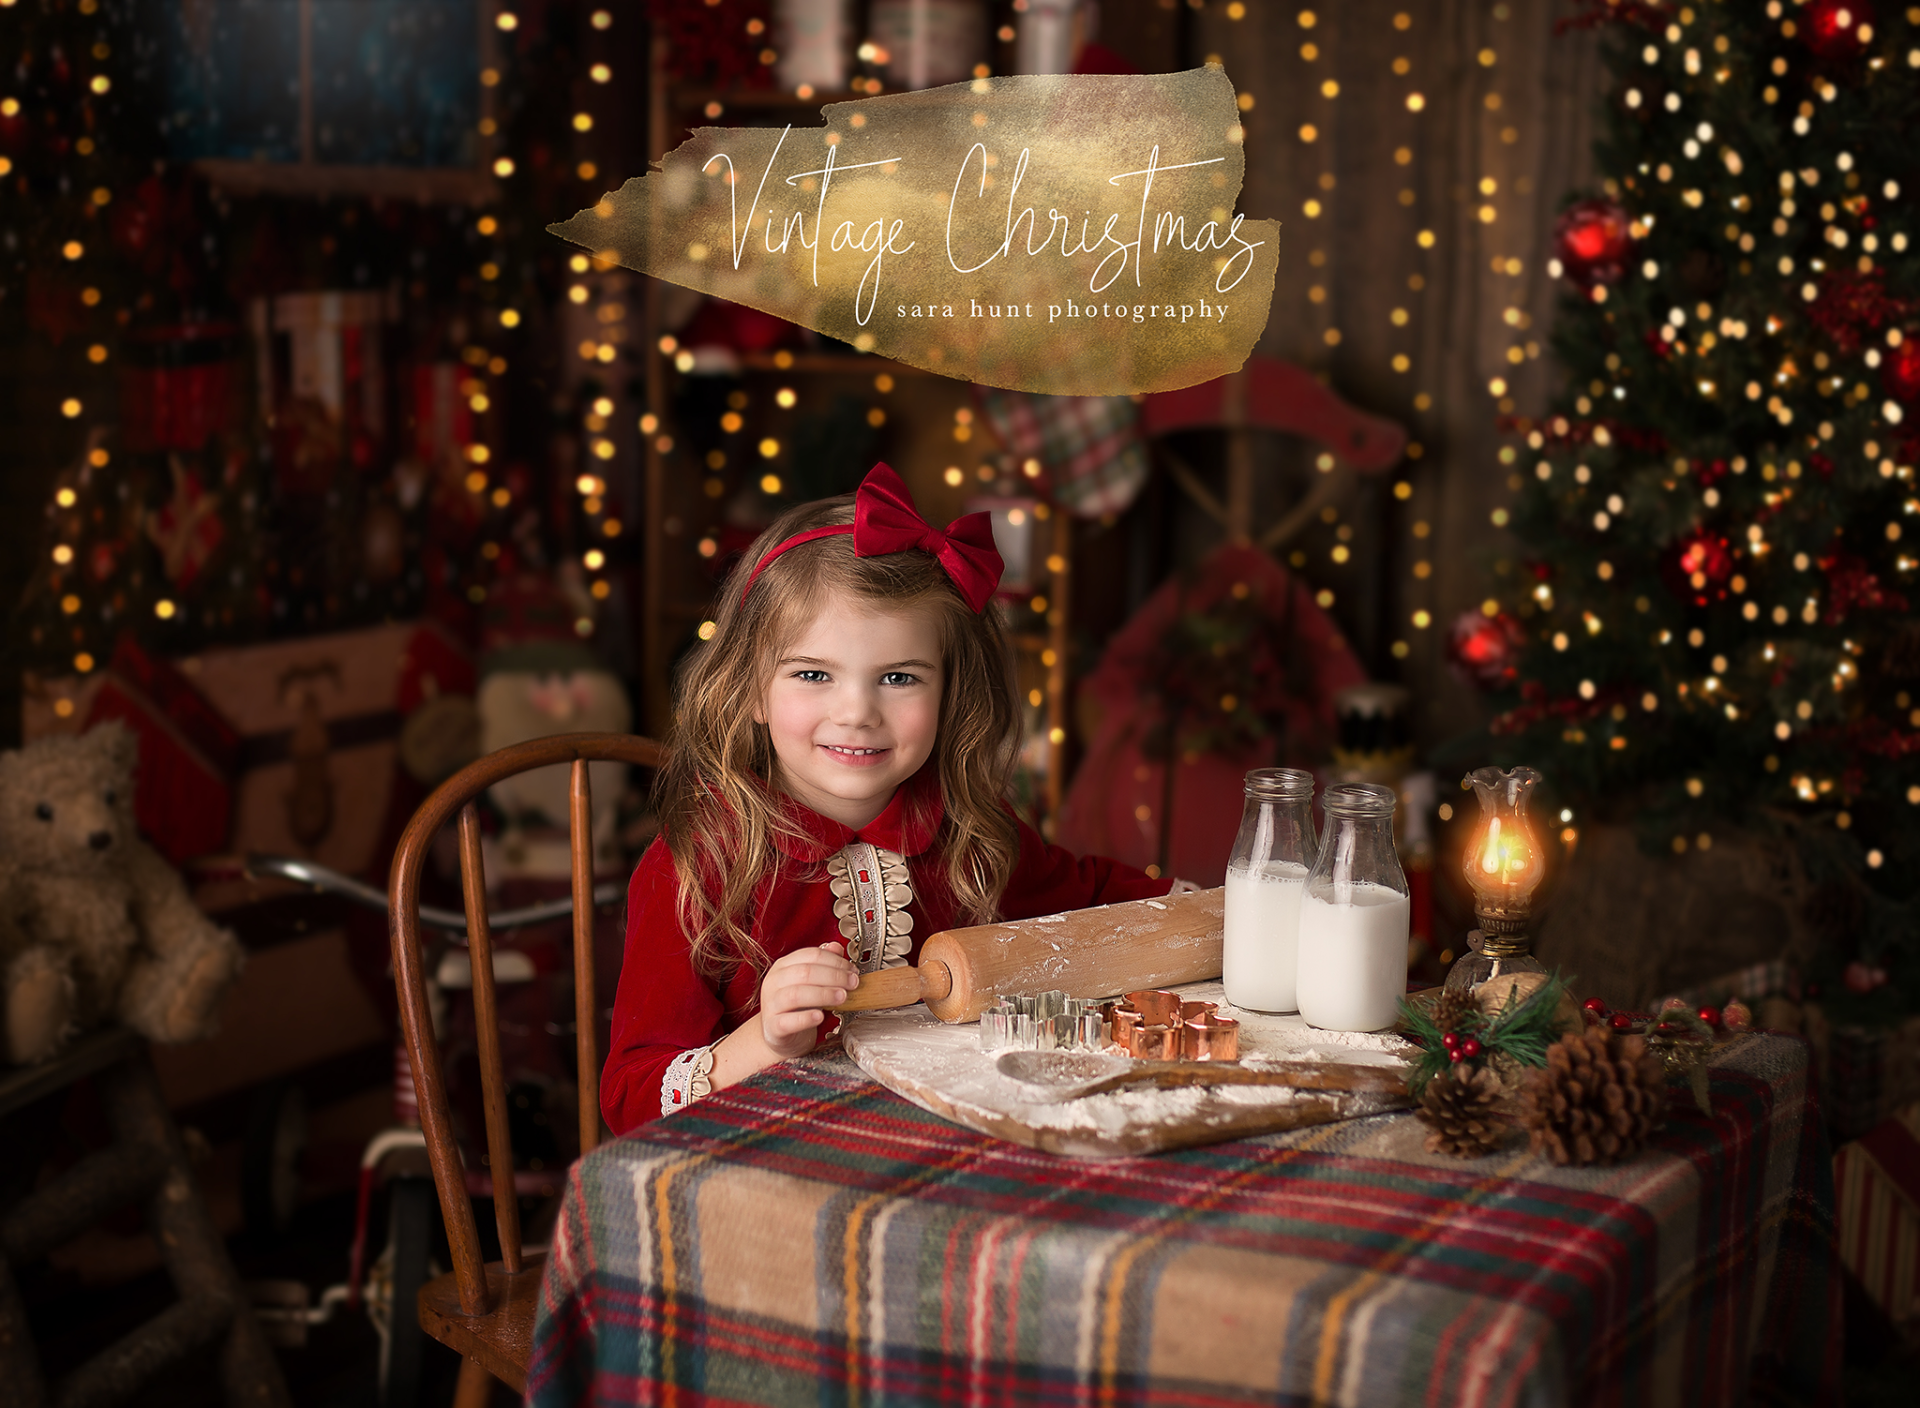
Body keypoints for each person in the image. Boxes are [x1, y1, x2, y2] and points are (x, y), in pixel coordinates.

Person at [601, 463, 1174, 1134]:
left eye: (898, 677)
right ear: (751, 690)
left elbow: (1094, 898)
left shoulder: (973, 838)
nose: (856, 712)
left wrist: (1222, 911)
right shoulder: (697, 870)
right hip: (764, 1179)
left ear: (948, 696)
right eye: (813, 674)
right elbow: (629, 1099)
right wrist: (762, 1042)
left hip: (937, 1161)